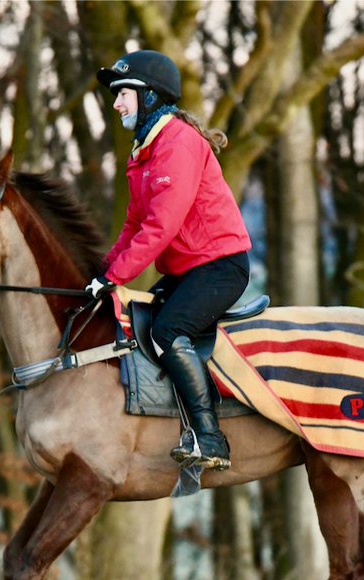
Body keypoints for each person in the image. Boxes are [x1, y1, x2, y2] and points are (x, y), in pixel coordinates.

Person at [88, 50, 252, 472]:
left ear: (149, 97)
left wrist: (116, 276)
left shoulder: (178, 144)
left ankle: (211, 438)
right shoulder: (144, 150)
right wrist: (103, 273)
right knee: (135, 318)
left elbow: (160, 228)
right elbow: (133, 224)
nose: (116, 103)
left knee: (166, 330)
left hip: (220, 267)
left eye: (122, 94)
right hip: (187, 271)